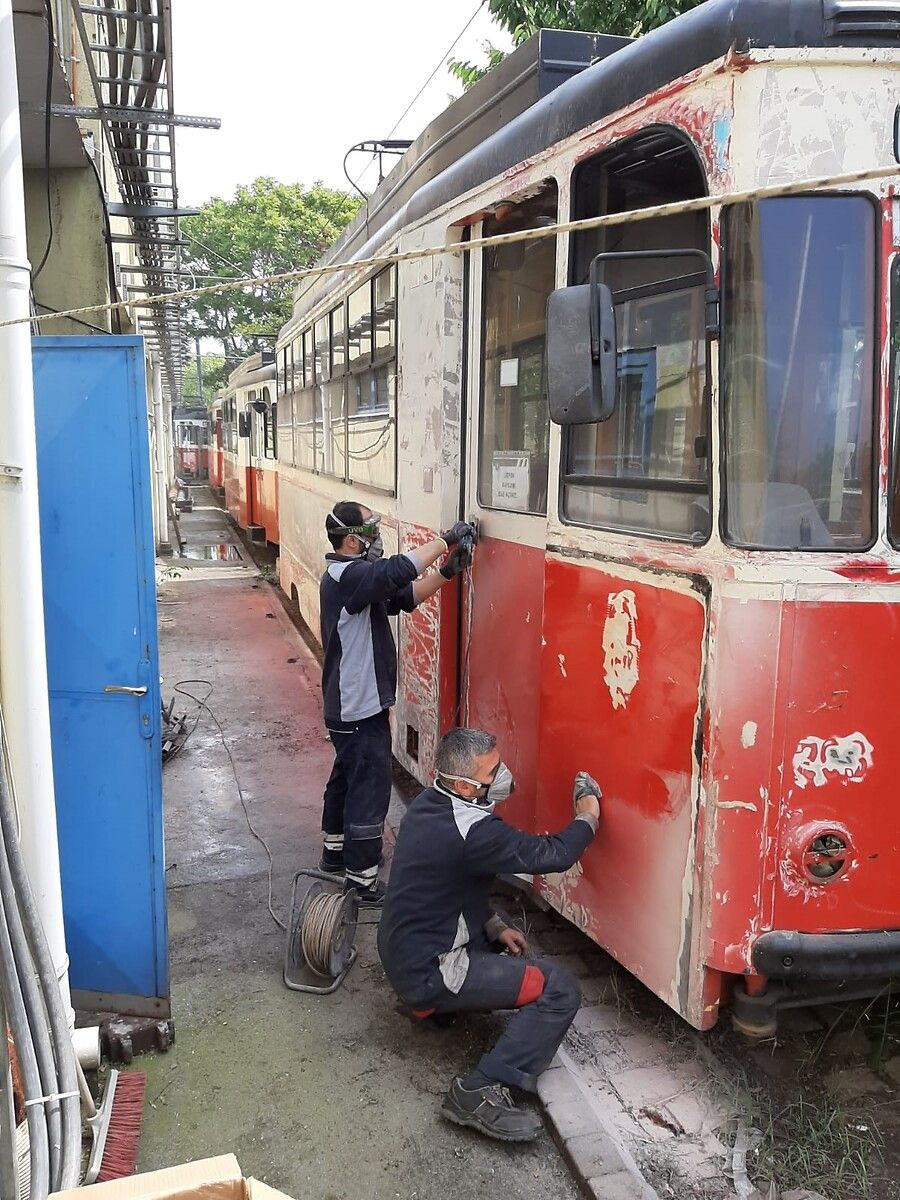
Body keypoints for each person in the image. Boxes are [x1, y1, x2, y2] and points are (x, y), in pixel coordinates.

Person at [377, 727, 601, 1142]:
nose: (503, 774)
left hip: (401, 954)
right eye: (493, 770)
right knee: (560, 990)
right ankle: (478, 1091)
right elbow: (555, 853)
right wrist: (588, 813)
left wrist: (495, 925)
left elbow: (456, 886)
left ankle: (431, 1010)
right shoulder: (475, 832)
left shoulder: (429, 803)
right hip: (430, 972)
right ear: (465, 784)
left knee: (492, 945)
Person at [319, 501, 475, 906]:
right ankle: (363, 880)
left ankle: (334, 853)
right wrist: (444, 540)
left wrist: (446, 572)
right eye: (371, 531)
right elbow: (394, 572)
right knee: (369, 789)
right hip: (358, 708)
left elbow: (404, 596)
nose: (377, 539)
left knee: (346, 777)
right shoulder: (346, 576)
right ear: (353, 540)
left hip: (347, 708)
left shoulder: (356, 581)